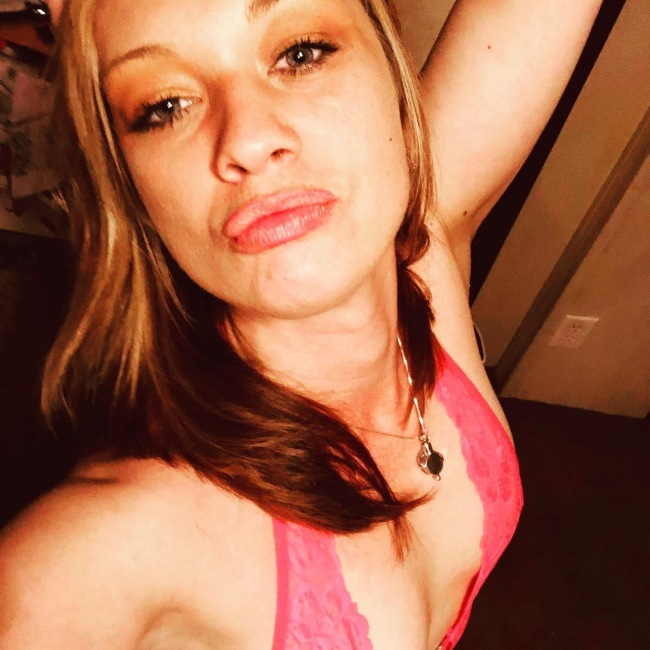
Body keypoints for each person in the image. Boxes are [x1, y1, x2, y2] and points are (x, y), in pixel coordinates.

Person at [0, 0, 602, 648]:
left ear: (392, 71)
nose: (247, 141)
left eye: (301, 53)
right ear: (129, 183)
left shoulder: (425, 243)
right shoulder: (106, 546)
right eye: (165, 106)